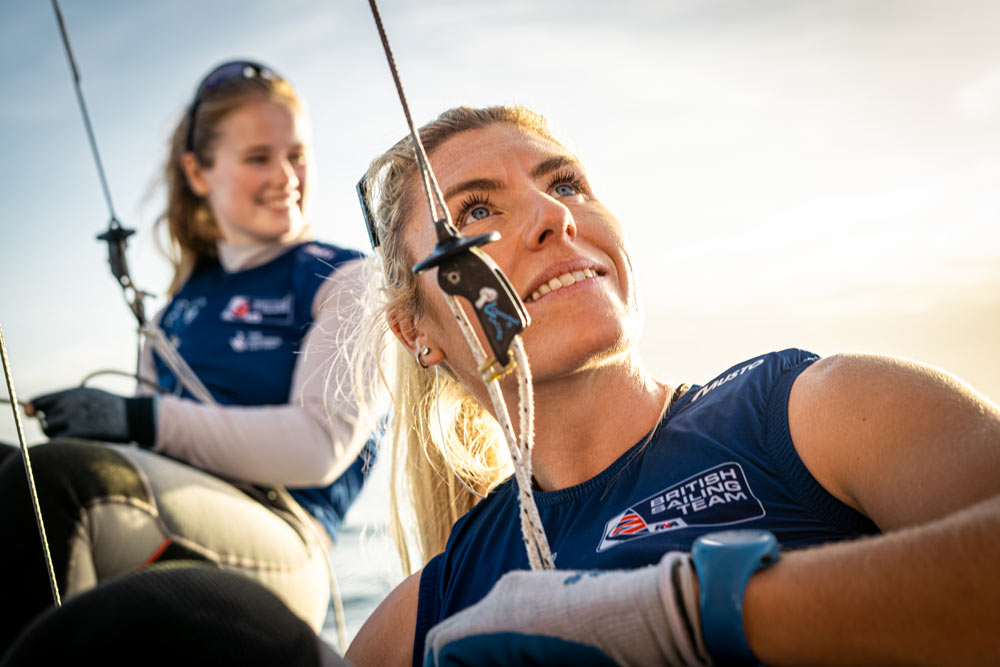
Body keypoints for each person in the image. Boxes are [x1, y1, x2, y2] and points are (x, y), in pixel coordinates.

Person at [344, 105, 1000, 666]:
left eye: (566, 184)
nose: (553, 215)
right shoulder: (429, 611)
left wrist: (680, 613)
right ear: (416, 332)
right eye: (477, 210)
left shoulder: (817, 411)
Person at [0, 61, 379, 653]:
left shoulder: (344, 278)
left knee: (55, 482)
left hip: (287, 539)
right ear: (198, 173)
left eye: (297, 154)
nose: (286, 176)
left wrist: (137, 419)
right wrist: (108, 425)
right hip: (167, 517)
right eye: (258, 157)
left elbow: (319, 447)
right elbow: (143, 456)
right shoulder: (172, 314)